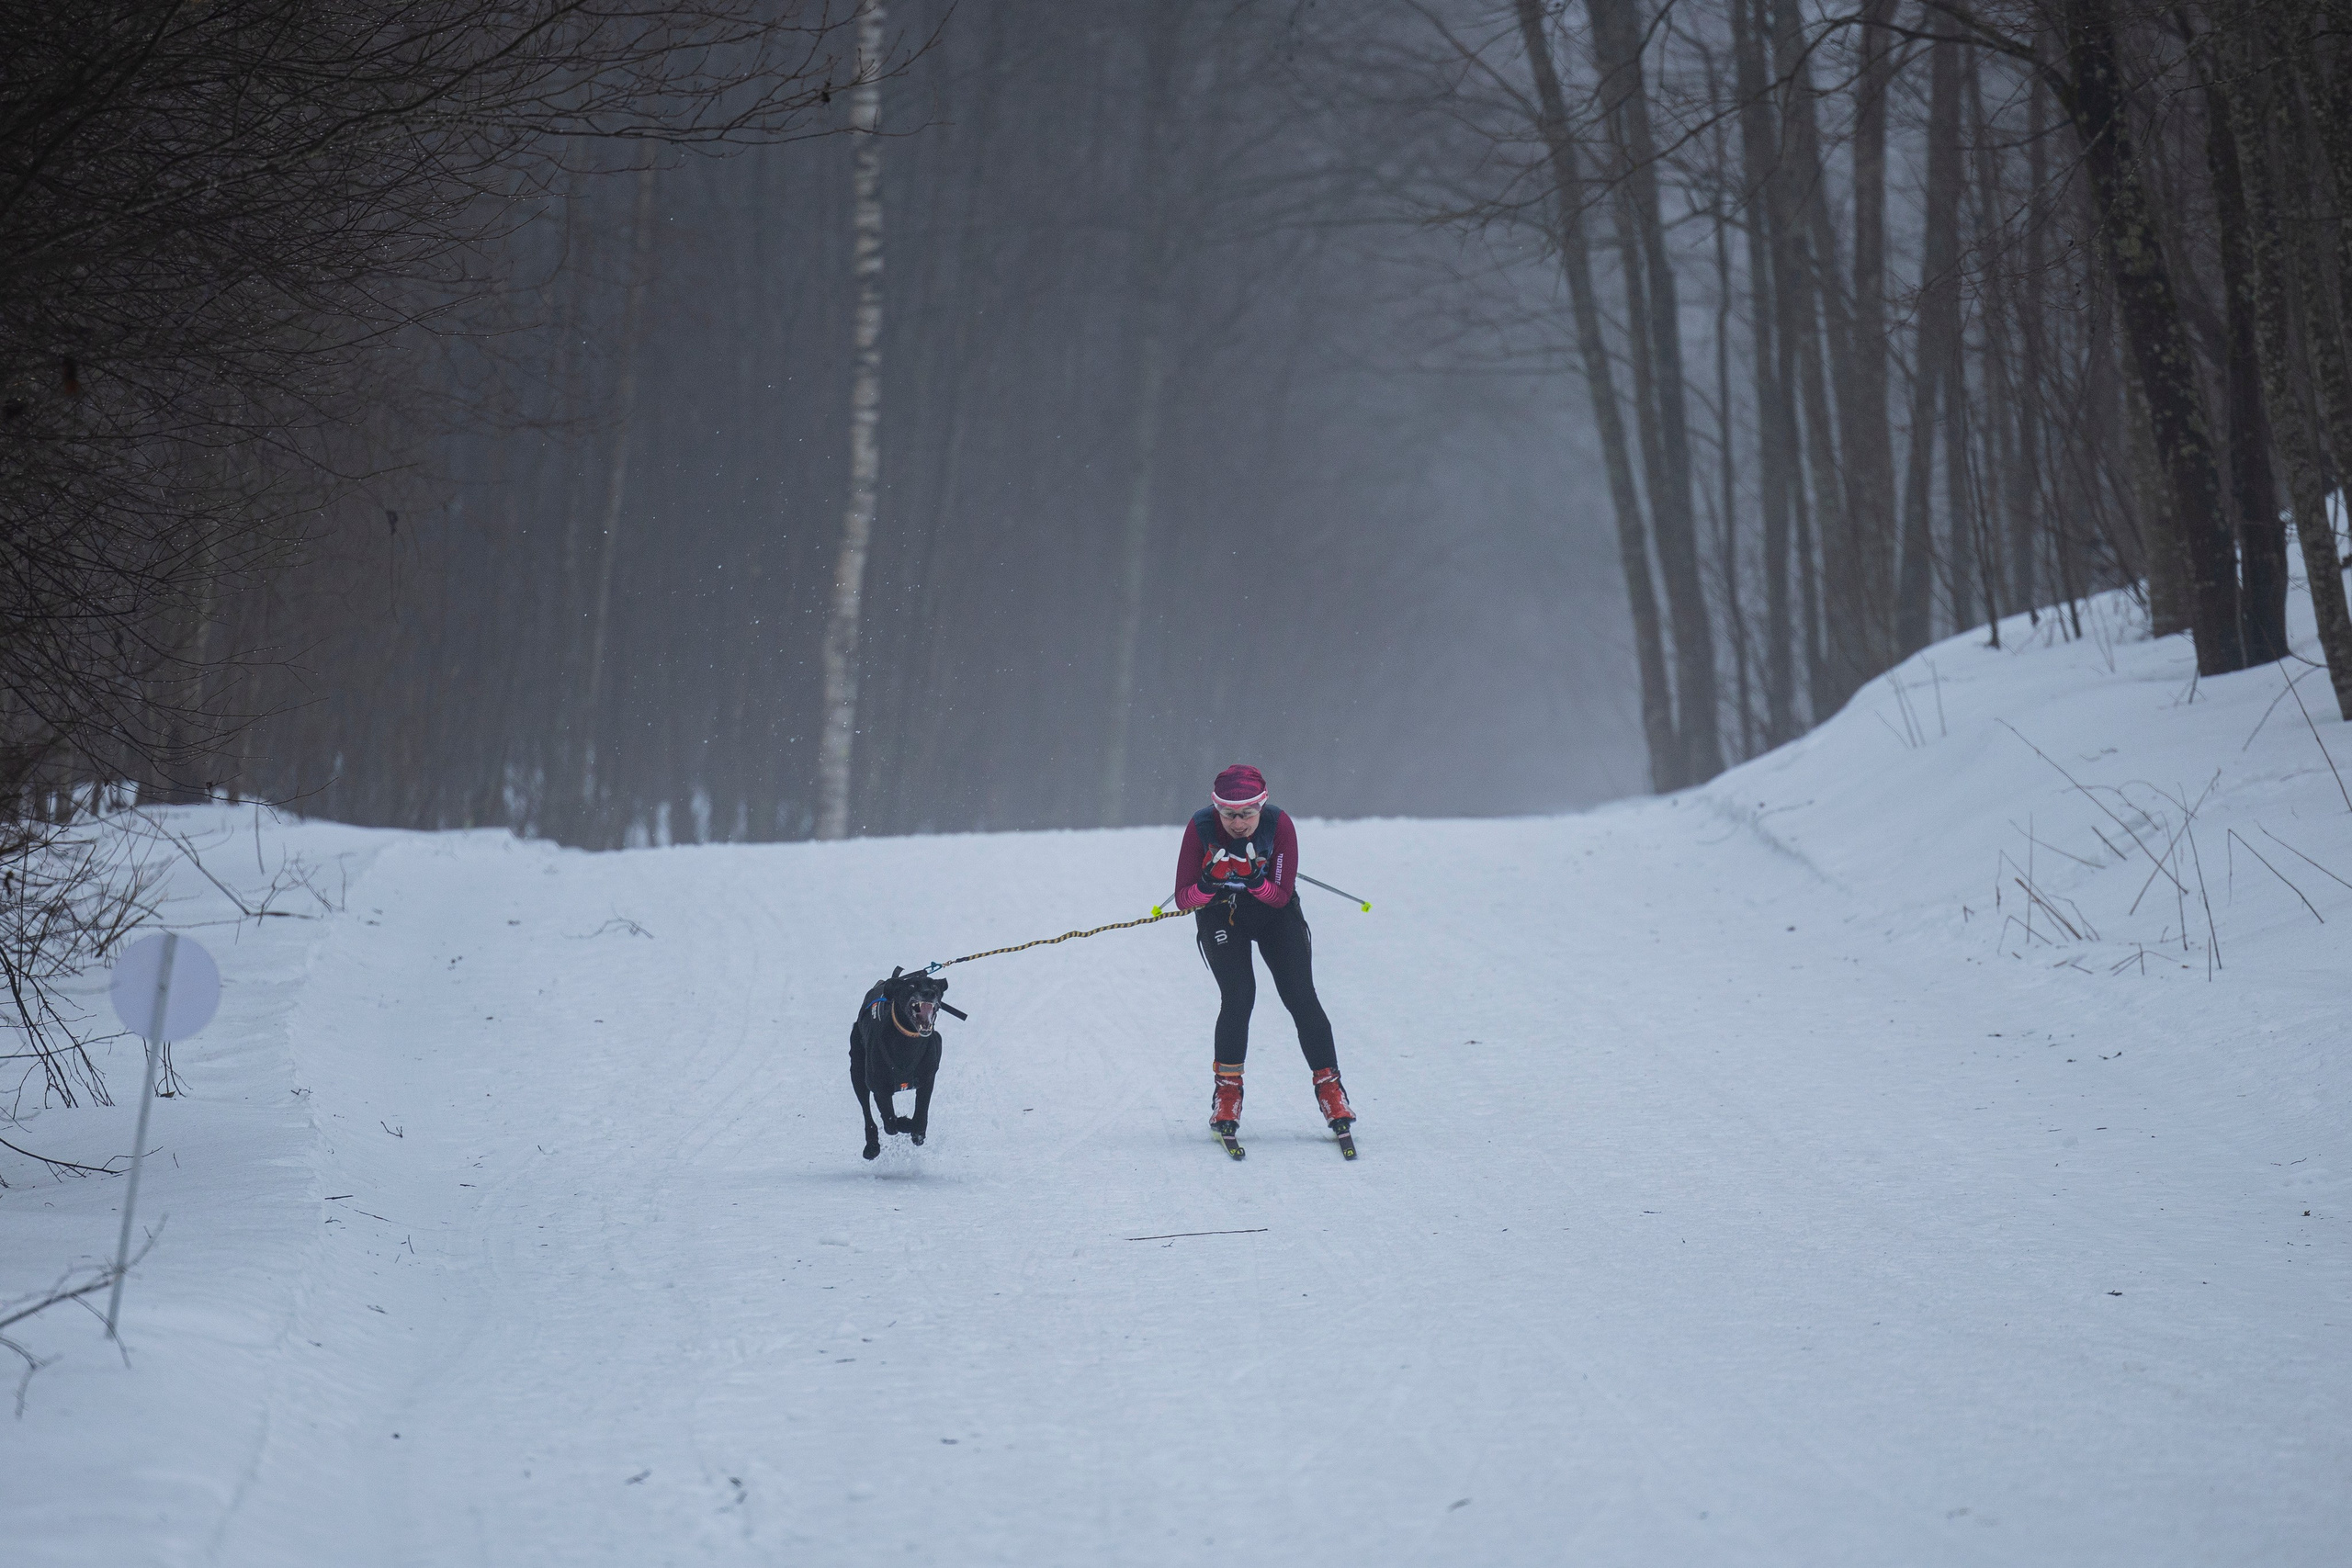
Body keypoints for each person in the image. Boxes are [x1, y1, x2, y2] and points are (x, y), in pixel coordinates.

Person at [1169, 763, 1354, 1139]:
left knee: (1301, 997)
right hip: (1221, 914)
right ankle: (1227, 1093)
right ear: (1216, 809)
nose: (1238, 823)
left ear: (1262, 807)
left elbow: (1281, 896)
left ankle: (1331, 1089)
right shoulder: (1201, 827)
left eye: (1248, 814)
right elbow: (1184, 899)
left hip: (1274, 913)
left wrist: (1255, 879)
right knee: (1238, 998)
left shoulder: (1279, 825)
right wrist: (1208, 883)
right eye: (1229, 815)